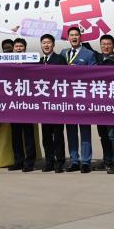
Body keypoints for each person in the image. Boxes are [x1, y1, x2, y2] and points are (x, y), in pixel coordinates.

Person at [62, 26, 97, 173]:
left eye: (76, 35)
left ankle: (86, 161)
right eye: (71, 35)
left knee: (85, 131)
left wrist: (79, 71)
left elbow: (94, 75)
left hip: (83, 98)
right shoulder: (63, 53)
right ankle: (74, 160)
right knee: (71, 132)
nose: (74, 37)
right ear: (68, 38)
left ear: (80, 37)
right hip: (68, 98)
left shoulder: (89, 54)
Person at [5, 37, 37, 172]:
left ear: (25, 48)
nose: (19, 49)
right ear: (13, 49)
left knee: (28, 135)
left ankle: (29, 161)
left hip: (27, 105)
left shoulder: (33, 61)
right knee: (15, 135)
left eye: (21, 46)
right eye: (16, 47)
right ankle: (18, 160)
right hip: (13, 104)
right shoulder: (7, 63)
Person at [96, 35, 114, 174]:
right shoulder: (97, 59)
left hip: (112, 104)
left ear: (113, 45)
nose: (106, 47)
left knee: (113, 134)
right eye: (103, 44)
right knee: (103, 135)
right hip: (99, 104)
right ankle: (107, 161)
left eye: (108, 44)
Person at [38, 34, 66, 173]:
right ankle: (49, 161)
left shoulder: (60, 59)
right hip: (43, 105)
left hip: (56, 104)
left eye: (49, 42)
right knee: (46, 136)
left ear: (53, 45)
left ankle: (60, 162)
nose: (46, 45)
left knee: (58, 135)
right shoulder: (38, 61)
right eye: (44, 43)